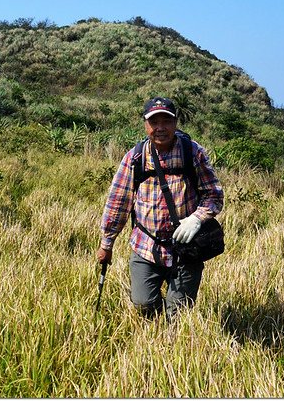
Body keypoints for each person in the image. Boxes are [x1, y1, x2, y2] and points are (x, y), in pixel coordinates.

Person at [96, 96, 224, 320]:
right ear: (145, 125)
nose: (161, 128)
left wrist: (197, 219)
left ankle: (172, 347)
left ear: (176, 123)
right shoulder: (135, 158)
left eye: (167, 121)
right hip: (146, 245)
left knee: (179, 314)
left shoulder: (193, 152)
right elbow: (118, 203)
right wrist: (107, 244)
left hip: (187, 248)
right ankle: (153, 336)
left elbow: (214, 194)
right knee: (144, 304)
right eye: (154, 122)